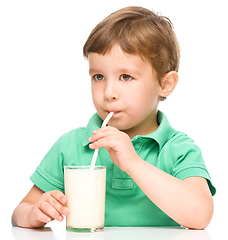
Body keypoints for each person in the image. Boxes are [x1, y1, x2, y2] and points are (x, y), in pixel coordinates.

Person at [12, 6, 216, 229]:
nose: (108, 92)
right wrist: (35, 212)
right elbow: (20, 212)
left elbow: (200, 216)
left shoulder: (178, 149)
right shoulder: (71, 146)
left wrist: (133, 163)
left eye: (126, 77)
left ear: (165, 85)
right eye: (98, 76)